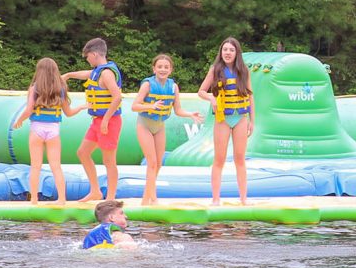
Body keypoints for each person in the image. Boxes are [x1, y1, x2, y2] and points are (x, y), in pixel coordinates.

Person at [131, 54, 203, 205]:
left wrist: (190, 114)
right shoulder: (147, 85)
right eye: (160, 67)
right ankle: (149, 200)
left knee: (158, 164)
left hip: (160, 126)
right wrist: (151, 105)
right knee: (151, 162)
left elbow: (177, 110)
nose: (163, 69)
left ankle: (149, 195)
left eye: (166, 67)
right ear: (154, 69)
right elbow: (135, 106)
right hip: (144, 124)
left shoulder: (173, 87)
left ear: (171, 70)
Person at [12, 58, 86, 205]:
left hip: (37, 130)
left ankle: (34, 200)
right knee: (56, 166)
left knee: (35, 166)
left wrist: (19, 120)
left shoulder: (35, 88)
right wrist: (82, 107)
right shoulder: (61, 89)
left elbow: (29, 110)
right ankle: (62, 199)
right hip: (53, 131)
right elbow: (69, 113)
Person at [63, 38, 124, 201]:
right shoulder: (98, 71)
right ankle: (95, 191)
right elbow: (85, 74)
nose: (87, 60)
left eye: (87, 57)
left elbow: (117, 97)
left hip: (109, 121)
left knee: (109, 160)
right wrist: (68, 75)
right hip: (97, 120)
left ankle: (110, 198)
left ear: (94, 54)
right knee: (82, 152)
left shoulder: (107, 73)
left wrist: (105, 120)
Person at [197, 37, 255, 206]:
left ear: (237, 53)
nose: (228, 53)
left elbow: (250, 96)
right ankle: (215, 199)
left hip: (240, 118)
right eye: (225, 50)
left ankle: (244, 199)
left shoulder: (244, 71)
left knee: (240, 159)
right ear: (221, 52)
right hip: (223, 119)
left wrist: (252, 120)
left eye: (231, 50)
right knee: (219, 159)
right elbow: (201, 91)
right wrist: (211, 98)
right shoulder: (215, 70)